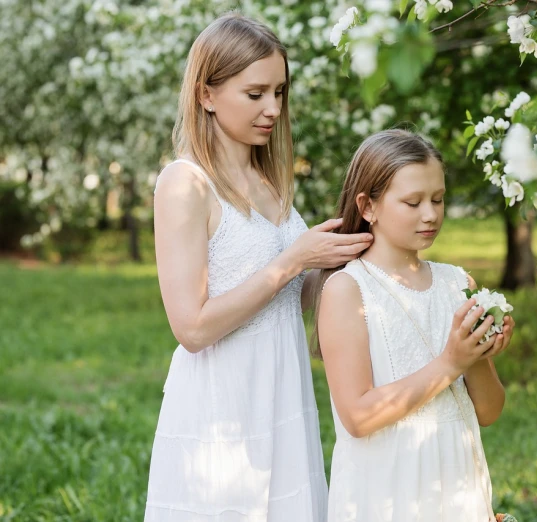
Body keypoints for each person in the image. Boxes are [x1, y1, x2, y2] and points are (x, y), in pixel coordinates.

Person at [145, 13, 372, 522]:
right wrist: (292, 261)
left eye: (280, 92)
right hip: (223, 403)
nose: (272, 109)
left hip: (283, 392)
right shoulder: (186, 184)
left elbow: (293, 295)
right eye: (255, 94)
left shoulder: (267, 182)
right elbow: (192, 327)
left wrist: (340, 258)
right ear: (206, 93)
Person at [316, 130, 515, 521]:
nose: (431, 214)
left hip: (457, 484)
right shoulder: (348, 290)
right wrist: (451, 363)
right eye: (413, 202)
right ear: (368, 206)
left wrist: (475, 354)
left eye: (438, 199)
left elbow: (489, 411)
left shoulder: (457, 283)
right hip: (388, 489)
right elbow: (357, 416)